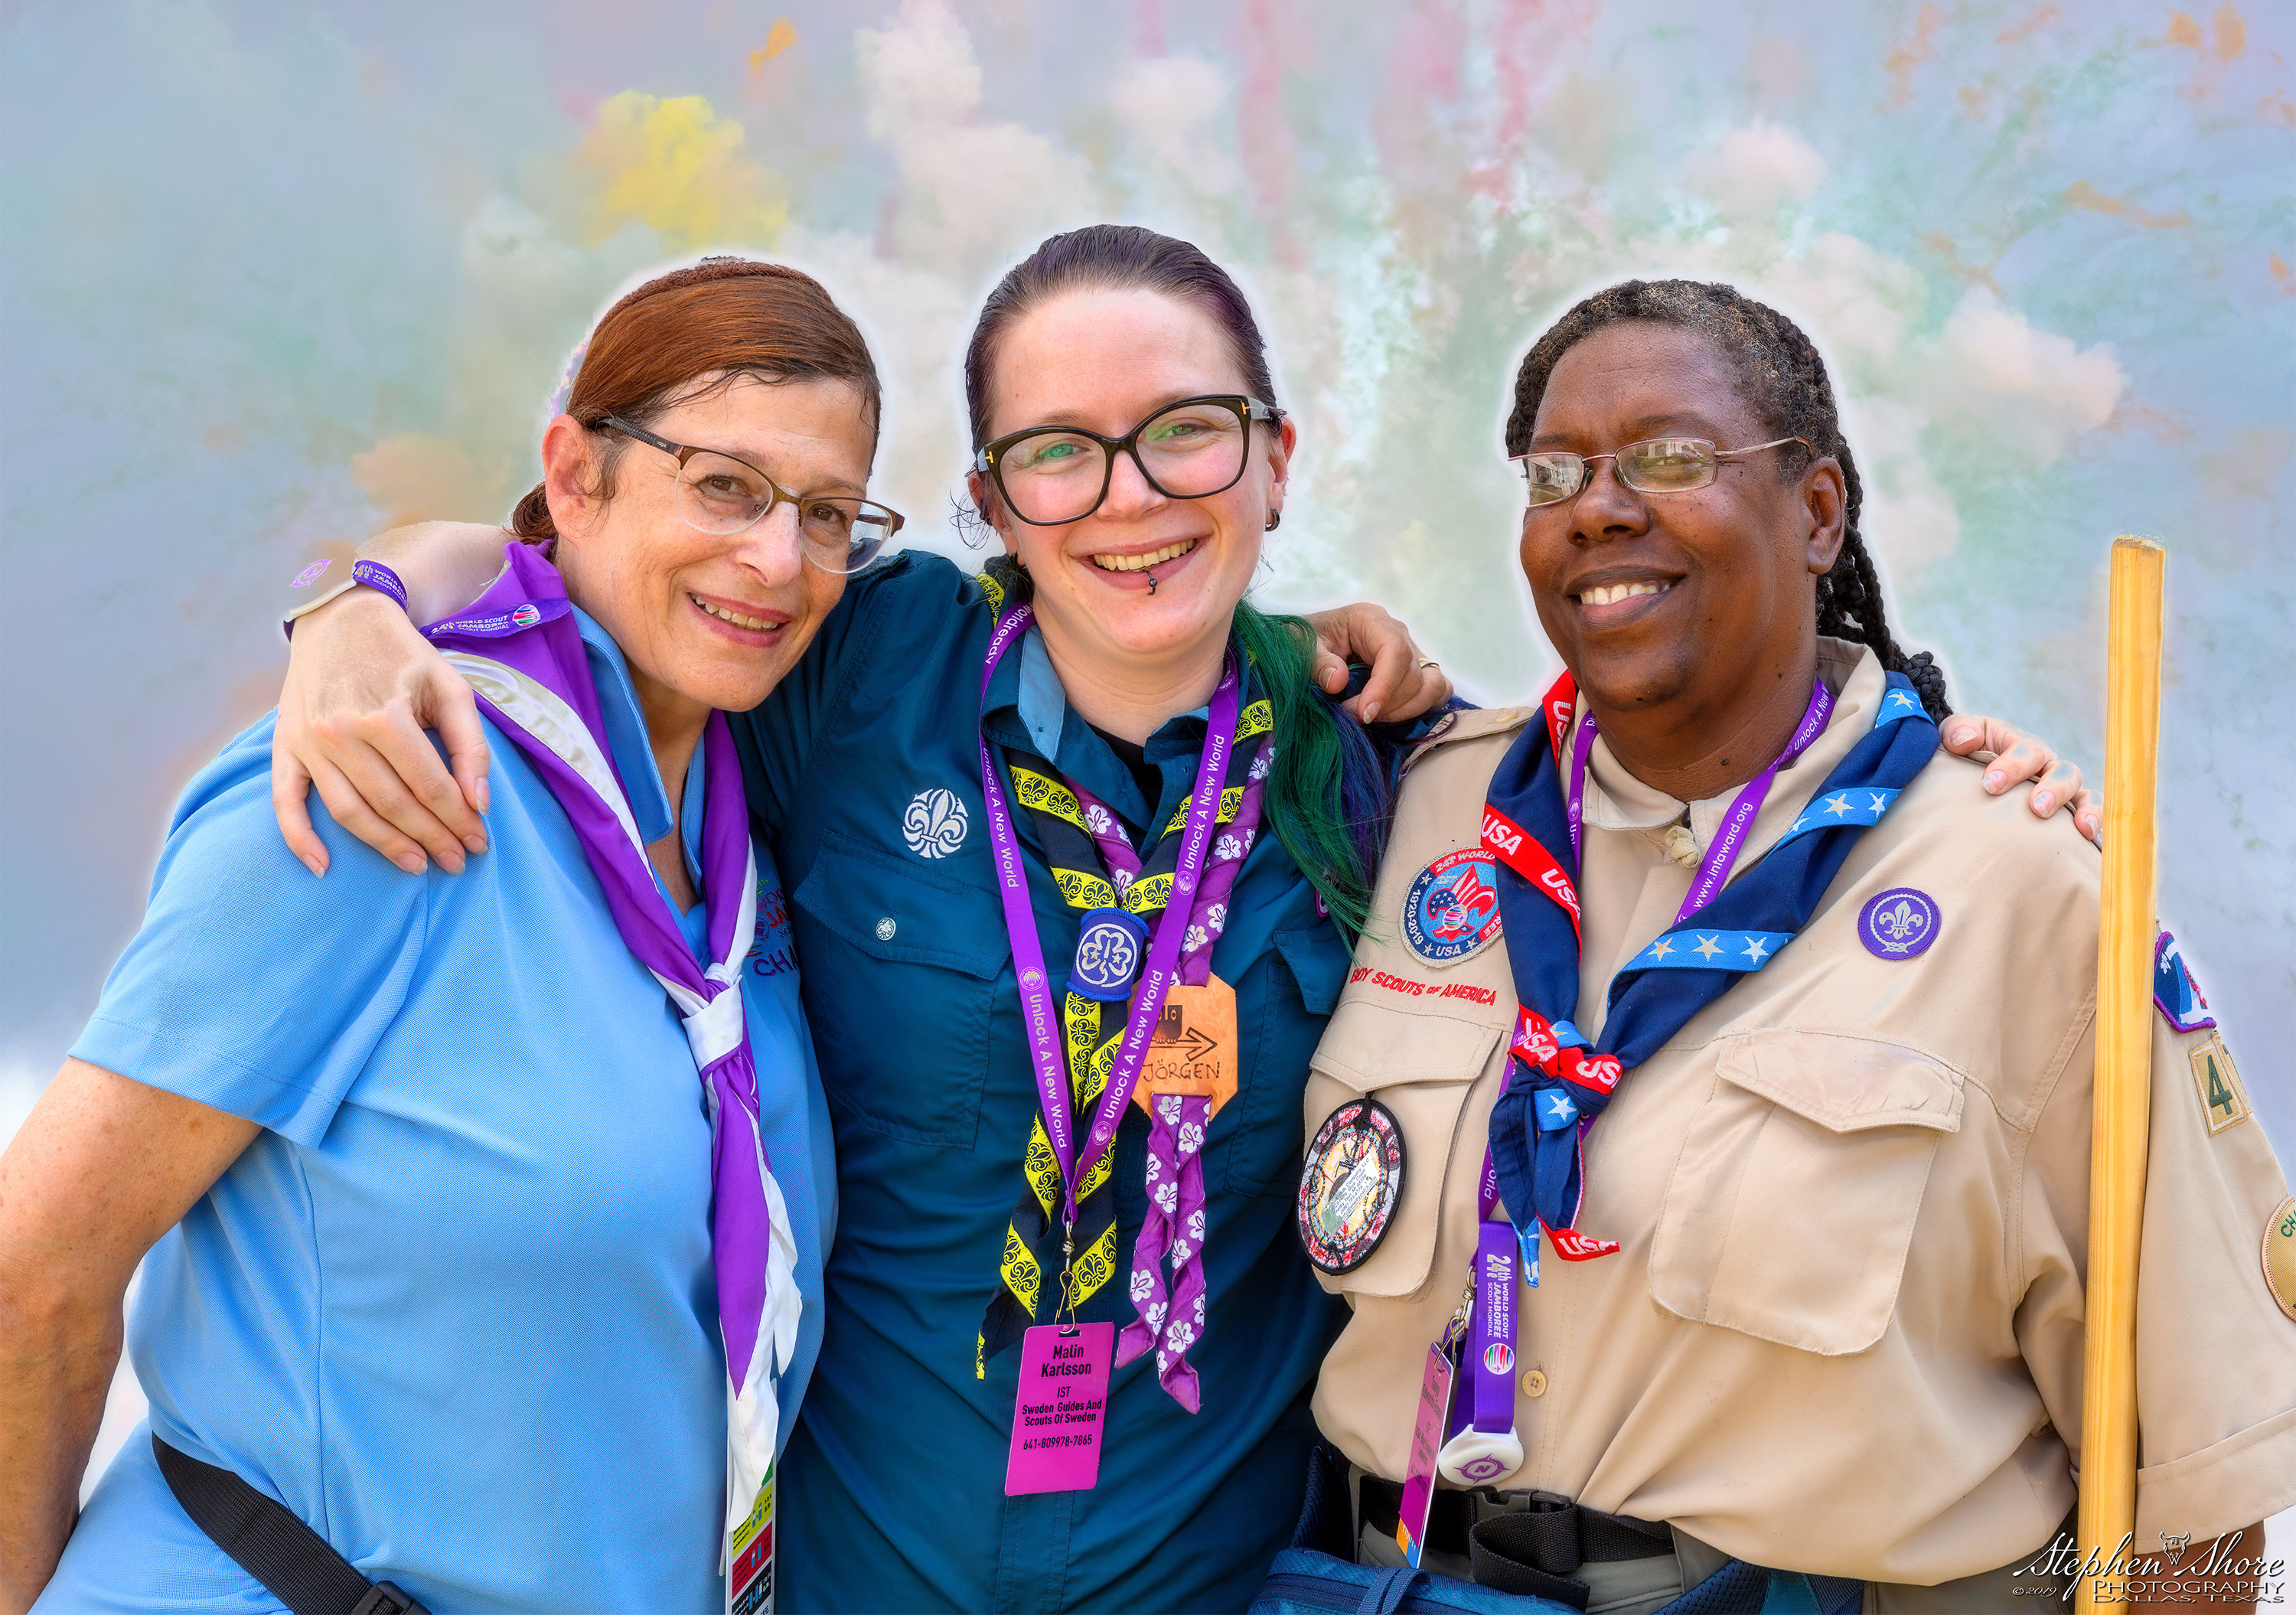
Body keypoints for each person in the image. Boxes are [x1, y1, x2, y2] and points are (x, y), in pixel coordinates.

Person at [265, 232, 2093, 1614]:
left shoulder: (1390, 764)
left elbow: (1695, 796)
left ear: (1279, 461)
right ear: (990, 503)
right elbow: (557, 579)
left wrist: (1957, 772)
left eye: (1188, 436)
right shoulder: (853, 667)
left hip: (1214, 1585)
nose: (1130, 499)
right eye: (1060, 453)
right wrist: (356, 605)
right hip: (836, 1578)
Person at [1294, 279, 2294, 1613]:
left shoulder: (2024, 888)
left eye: (1670, 458)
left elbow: (2195, 1490)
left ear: (1819, 512)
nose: (1599, 506)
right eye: (1555, 473)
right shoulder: (1418, 802)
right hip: (1387, 1582)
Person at [0, 258, 876, 1613]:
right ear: (574, 473)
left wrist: (1317, 653)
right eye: (723, 486)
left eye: (828, 515)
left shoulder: (747, 821)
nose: (779, 558)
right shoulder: (373, 790)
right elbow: (36, 1273)